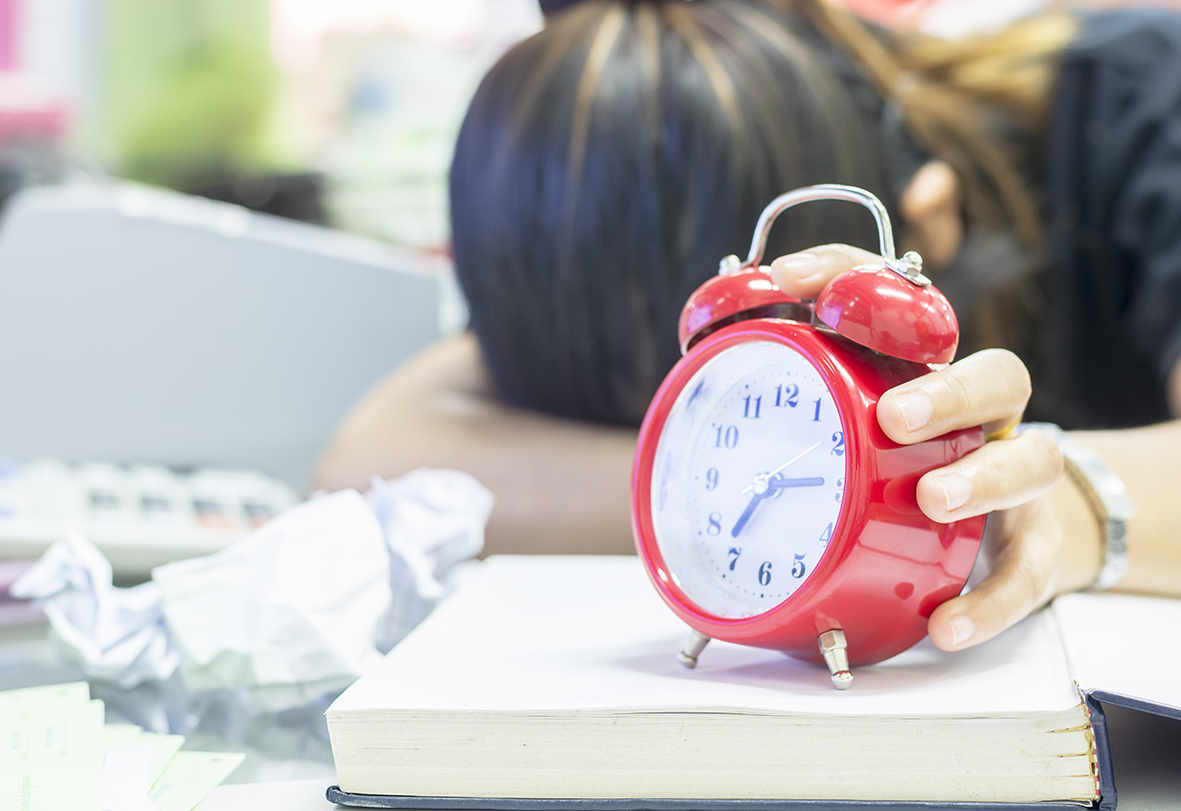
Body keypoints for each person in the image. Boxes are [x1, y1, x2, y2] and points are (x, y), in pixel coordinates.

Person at [314, 0, 1181, 654]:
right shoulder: (596, 207)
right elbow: (368, 462)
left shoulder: (1147, 104)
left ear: (930, 217)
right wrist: (715, 493)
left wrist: (1059, 506)